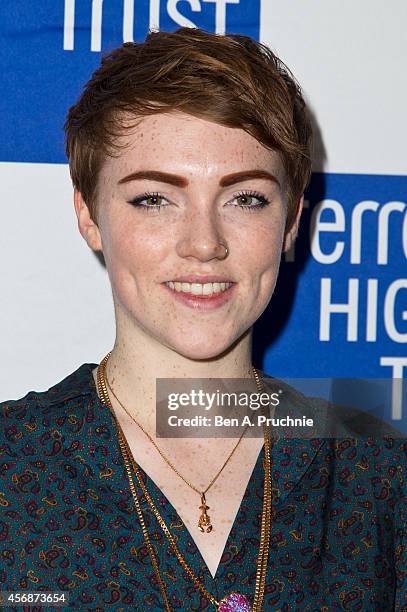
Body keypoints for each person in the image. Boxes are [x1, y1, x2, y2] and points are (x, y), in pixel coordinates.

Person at [0, 27, 405, 612]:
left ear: (291, 221)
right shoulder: (15, 465)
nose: (204, 244)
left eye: (246, 199)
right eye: (154, 199)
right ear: (88, 215)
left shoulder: (376, 474)